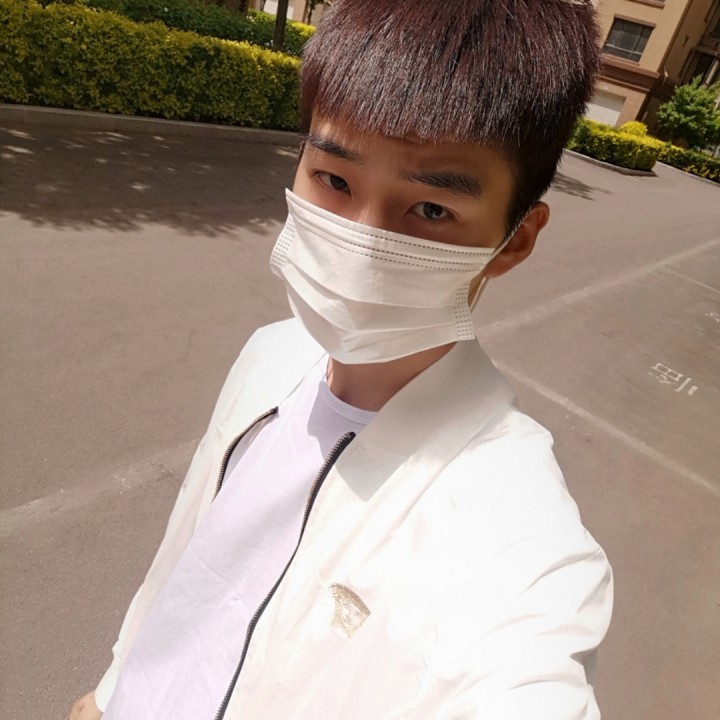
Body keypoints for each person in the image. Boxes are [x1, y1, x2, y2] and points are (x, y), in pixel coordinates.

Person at [69, 1, 613, 718]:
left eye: (431, 210)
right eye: (334, 179)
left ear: (515, 240)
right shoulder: (273, 352)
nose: (362, 245)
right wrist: (113, 685)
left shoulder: (513, 534)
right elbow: (190, 559)